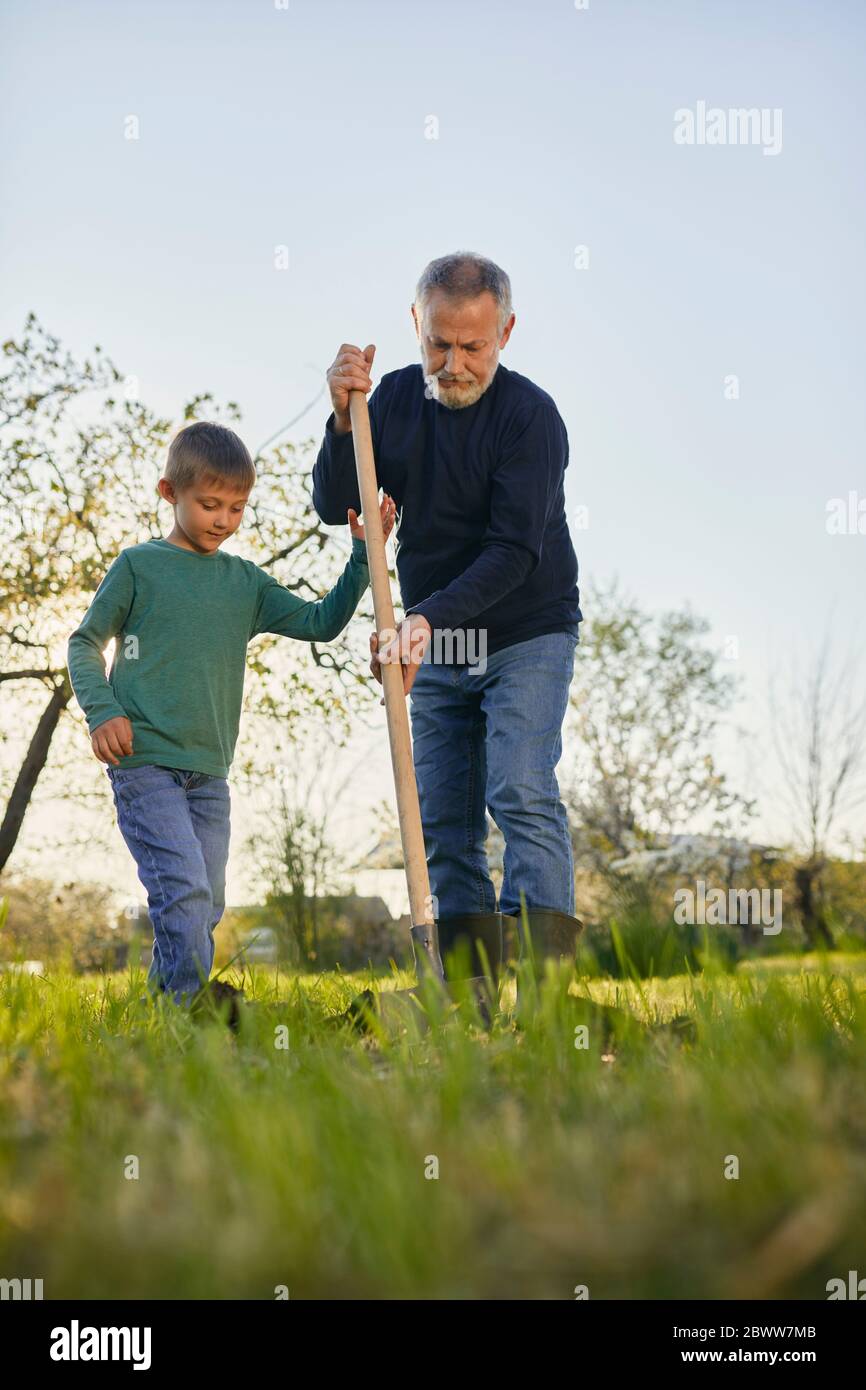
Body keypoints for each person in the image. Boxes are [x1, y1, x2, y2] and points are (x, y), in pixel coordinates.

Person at [312, 251, 583, 968]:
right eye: (438, 343)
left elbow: (514, 550)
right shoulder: (391, 403)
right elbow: (335, 505)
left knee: (519, 787)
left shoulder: (530, 419)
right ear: (415, 325)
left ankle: (546, 998)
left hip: (526, 629)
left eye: (473, 346)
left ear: (506, 332)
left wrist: (425, 619)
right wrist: (342, 422)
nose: (453, 363)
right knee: (442, 817)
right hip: (429, 637)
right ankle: (470, 996)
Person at [66, 420, 395, 1005]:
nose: (223, 519)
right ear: (170, 493)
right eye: (210, 504)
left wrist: (364, 556)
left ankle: (163, 1011)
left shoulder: (243, 582)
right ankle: (194, 1008)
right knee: (184, 890)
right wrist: (102, 711)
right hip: (145, 765)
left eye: (237, 507)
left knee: (206, 898)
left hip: (209, 774)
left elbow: (320, 622)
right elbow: (84, 642)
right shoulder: (138, 567)